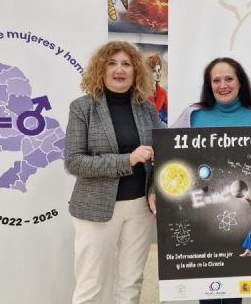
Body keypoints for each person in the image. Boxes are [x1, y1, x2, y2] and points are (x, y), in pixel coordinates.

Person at [65, 41, 161, 304]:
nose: (120, 70)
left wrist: (154, 190)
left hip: (139, 208)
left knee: (131, 283)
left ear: (136, 71)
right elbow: (74, 162)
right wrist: (127, 160)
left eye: (126, 64)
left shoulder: (147, 109)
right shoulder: (82, 107)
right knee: (91, 284)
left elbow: (160, 157)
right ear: (100, 69)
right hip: (96, 209)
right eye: (112, 63)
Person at [172, 57, 251, 304]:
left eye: (229, 79)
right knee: (205, 293)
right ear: (209, 85)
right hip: (201, 213)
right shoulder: (193, 116)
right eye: (216, 80)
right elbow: (169, 156)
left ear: (240, 83)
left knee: (232, 292)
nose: (223, 85)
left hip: (238, 217)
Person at [146, 53, 168, 124]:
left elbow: (168, 113)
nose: (158, 74)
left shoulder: (162, 92)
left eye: (159, 70)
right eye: (154, 71)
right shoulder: (141, 92)